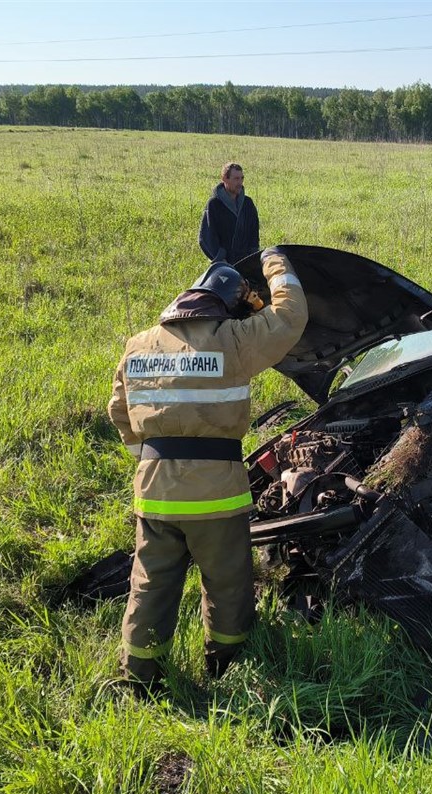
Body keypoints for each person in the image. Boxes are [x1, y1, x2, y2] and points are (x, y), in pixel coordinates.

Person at [107, 248, 307, 691]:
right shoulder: (231, 339)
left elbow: (119, 410)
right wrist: (276, 263)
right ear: (221, 309)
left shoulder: (139, 345)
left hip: (155, 491)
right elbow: (290, 318)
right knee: (227, 584)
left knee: (150, 585)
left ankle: (139, 677)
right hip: (218, 495)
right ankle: (226, 665)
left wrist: (148, 455)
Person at [198, 162, 260, 263]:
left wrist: (253, 256)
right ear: (224, 179)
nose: (240, 182)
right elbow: (206, 237)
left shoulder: (247, 203)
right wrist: (220, 258)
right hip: (223, 264)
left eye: (242, 178)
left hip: (245, 261)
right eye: (236, 179)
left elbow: (254, 232)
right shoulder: (214, 204)